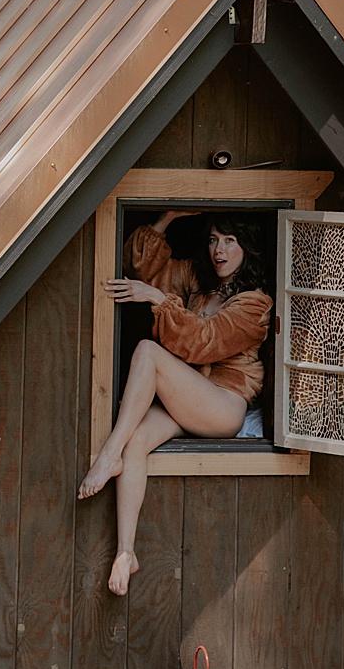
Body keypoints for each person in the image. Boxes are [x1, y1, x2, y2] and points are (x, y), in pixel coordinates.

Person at [77, 210, 272, 594]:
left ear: (247, 247)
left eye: (230, 241)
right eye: (214, 239)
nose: (219, 250)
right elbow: (144, 266)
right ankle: (126, 552)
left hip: (223, 404)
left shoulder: (255, 303)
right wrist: (166, 217)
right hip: (190, 400)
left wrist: (160, 301)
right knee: (137, 437)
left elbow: (204, 341)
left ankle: (108, 454)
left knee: (148, 352)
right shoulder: (199, 284)